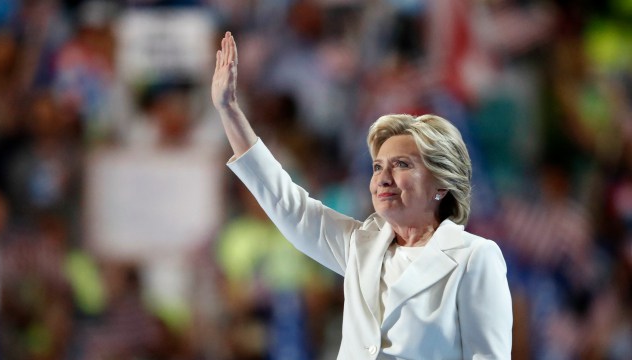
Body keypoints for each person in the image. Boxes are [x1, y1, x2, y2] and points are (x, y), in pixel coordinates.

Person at [212, 31, 512, 359]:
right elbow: (288, 205)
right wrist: (229, 110)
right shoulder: (361, 246)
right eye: (377, 167)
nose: (383, 178)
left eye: (401, 165)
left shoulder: (474, 257)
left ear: (441, 184)